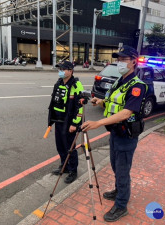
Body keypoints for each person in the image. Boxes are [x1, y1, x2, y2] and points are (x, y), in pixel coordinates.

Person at [81, 45, 147, 222]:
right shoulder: (120, 81)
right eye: (118, 59)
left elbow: (126, 113)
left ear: (134, 61)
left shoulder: (137, 86)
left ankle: (121, 205)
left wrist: (97, 123)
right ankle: (119, 191)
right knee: (115, 166)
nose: (120, 63)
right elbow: (113, 102)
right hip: (115, 133)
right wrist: (100, 101)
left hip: (126, 136)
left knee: (123, 170)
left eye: (124, 59)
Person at [48, 60, 84, 184]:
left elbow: (80, 107)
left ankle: (73, 170)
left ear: (70, 71)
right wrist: (51, 119)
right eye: (60, 69)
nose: (61, 71)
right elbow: (53, 102)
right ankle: (64, 166)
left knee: (70, 147)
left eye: (63, 69)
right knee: (60, 146)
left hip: (69, 122)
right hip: (58, 120)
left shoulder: (76, 85)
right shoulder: (58, 83)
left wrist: (75, 123)